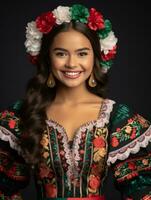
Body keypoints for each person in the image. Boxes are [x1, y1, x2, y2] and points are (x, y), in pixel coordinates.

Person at [0, 4, 150, 200]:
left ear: (96, 57)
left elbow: (141, 189)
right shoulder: (23, 113)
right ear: (47, 58)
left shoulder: (117, 117)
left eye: (82, 53)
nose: (71, 63)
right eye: (61, 53)